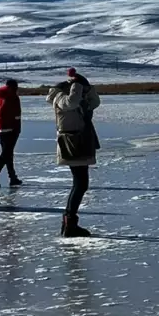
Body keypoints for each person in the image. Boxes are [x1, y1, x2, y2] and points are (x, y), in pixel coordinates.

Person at [47, 68, 101, 237]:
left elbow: (95, 102)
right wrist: (77, 86)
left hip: (81, 141)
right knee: (80, 183)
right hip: (71, 144)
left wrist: (88, 87)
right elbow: (72, 102)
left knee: (81, 183)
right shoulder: (60, 98)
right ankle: (69, 223)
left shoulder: (78, 97)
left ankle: (69, 223)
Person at [0, 79, 23, 187]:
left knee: (8, 153)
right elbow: (17, 114)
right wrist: (17, 129)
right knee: (6, 153)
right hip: (10, 128)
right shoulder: (13, 97)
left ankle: (13, 177)